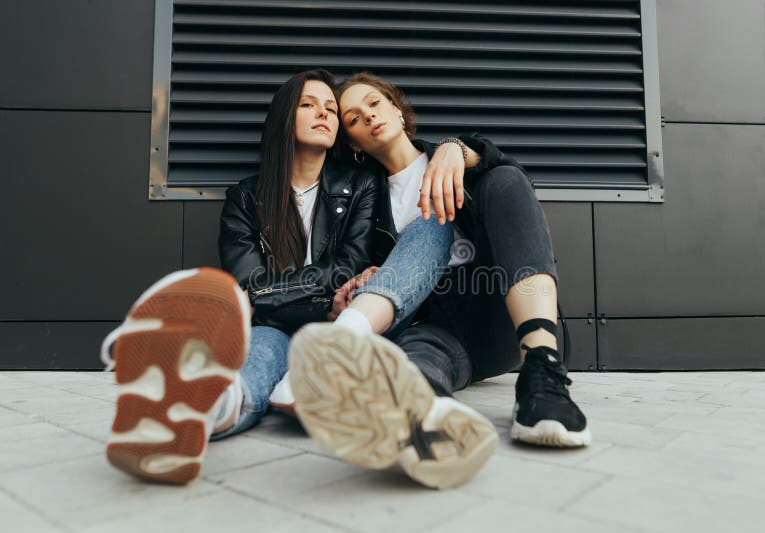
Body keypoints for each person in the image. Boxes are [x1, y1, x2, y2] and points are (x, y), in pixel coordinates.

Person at [99, 69, 485, 485]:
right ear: (285, 117)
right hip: (278, 329)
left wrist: (265, 297)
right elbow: (247, 286)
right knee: (255, 363)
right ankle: (183, 421)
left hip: (342, 322)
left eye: (331, 110)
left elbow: (346, 267)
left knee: (428, 227)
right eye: (308, 105)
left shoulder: (360, 186)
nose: (324, 113)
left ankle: (351, 381)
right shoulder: (246, 199)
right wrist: (289, 295)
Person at [288, 72, 591, 490]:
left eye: (375, 103)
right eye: (355, 118)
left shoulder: (461, 159)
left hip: (501, 310)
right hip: (433, 327)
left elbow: (516, 193)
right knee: (415, 367)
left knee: (503, 180)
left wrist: (458, 149)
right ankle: (422, 419)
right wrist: (363, 278)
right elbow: (367, 267)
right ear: (353, 142)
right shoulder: (363, 200)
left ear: (396, 107)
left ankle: (543, 373)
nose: (370, 116)